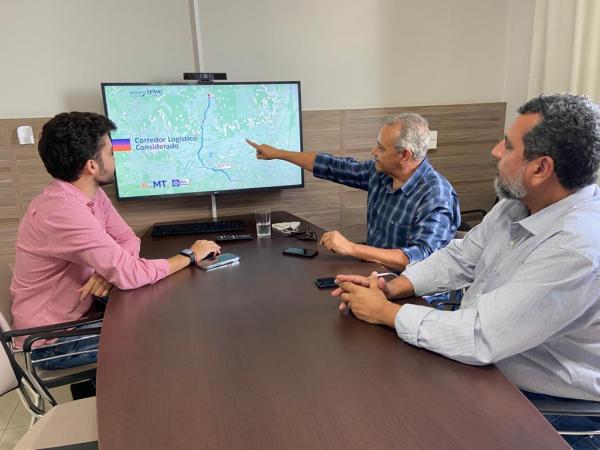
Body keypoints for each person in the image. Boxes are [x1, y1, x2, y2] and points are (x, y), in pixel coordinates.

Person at [332, 94, 600, 449]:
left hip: (544, 404)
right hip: (485, 365)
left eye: (507, 145)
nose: (495, 151)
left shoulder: (577, 246)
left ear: (541, 169)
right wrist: (394, 287)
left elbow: (480, 336)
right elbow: (460, 257)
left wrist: (385, 312)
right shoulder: (517, 205)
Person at [10, 112, 221, 369]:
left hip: (81, 315)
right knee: (166, 332)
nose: (115, 158)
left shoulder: (88, 193)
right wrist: (190, 255)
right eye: (111, 152)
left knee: (161, 312)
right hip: (50, 342)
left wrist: (111, 272)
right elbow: (130, 273)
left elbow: (126, 238)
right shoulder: (62, 211)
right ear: (92, 166)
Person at [247, 113, 460, 271]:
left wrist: (351, 248)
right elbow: (331, 166)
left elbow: (422, 257)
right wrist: (278, 154)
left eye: (381, 148)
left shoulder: (436, 195)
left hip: (419, 298)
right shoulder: (380, 173)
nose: (373, 152)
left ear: (405, 155)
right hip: (377, 276)